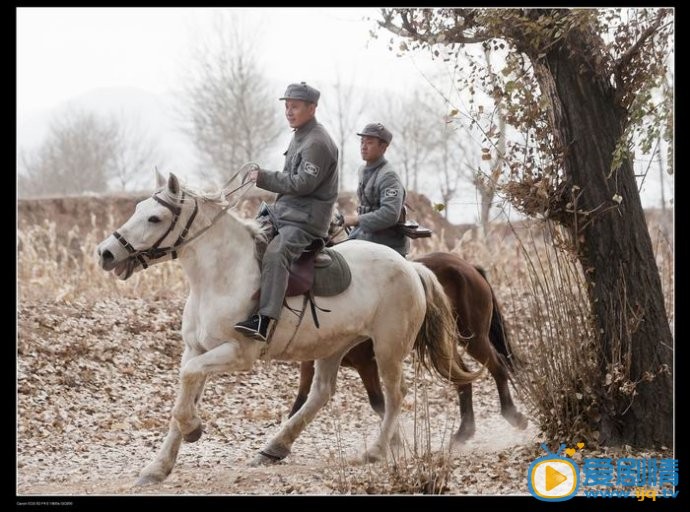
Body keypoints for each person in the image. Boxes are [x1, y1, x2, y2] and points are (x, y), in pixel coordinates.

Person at [234, 82, 339, 342]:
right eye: (287, 106)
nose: (289, 112)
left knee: (276, 253)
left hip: (306, 221)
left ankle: (265, 320)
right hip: (287, 212)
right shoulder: (300, 134)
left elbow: (303, 184)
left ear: (312, 108)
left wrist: (263, 177)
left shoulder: (317, 142)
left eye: (295, 107)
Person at [344, 123, 409, 257]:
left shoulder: (388, 176)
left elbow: (390, 213)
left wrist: (356, 220)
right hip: (365, 235)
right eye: (362, 142)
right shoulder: (363, 171)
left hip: (386, 242)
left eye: (369, 143)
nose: (363, 146)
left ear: (383, 147)